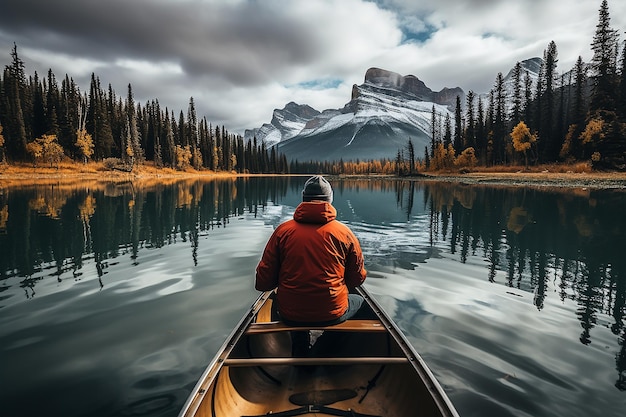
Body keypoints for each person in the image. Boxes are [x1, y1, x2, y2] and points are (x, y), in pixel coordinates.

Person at [255, 175, 367, 355]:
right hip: (332, 312)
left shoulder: (282, 232)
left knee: (289, 305)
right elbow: (356, 281)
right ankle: (326, 347)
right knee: (361, 302)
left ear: (303, 198)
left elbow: (263, 283)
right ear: (330, 200)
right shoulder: (345, 233)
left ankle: (300, 349)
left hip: (289, 313)